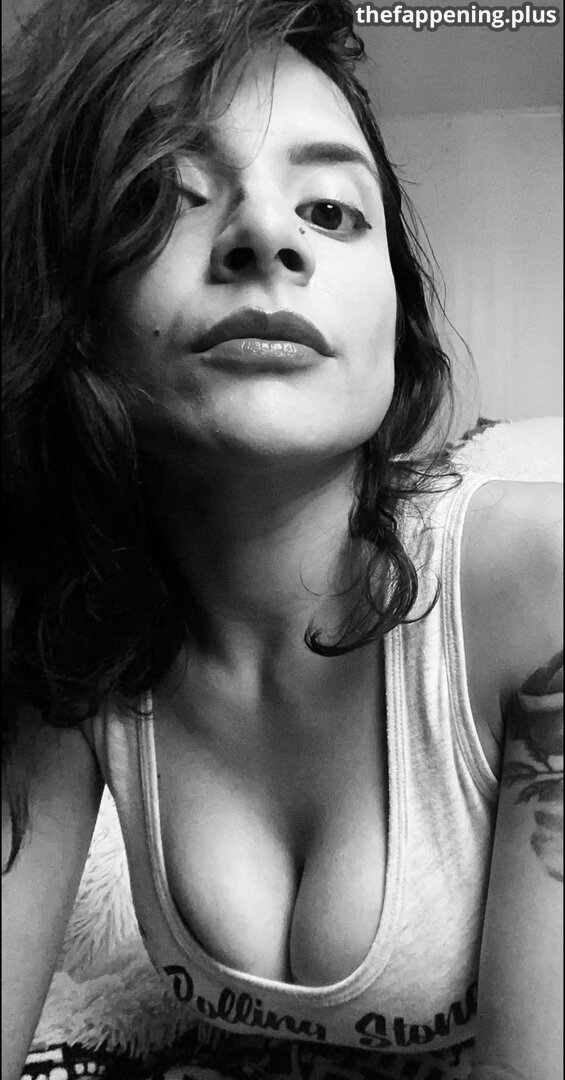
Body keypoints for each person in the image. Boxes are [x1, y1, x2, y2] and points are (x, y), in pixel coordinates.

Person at [2, 1, 562, 1078]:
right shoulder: (68, 629)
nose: (270, 236)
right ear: (67, 299)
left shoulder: (540, 582)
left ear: (395, 322)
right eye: (160, 195)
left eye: (331, 210)